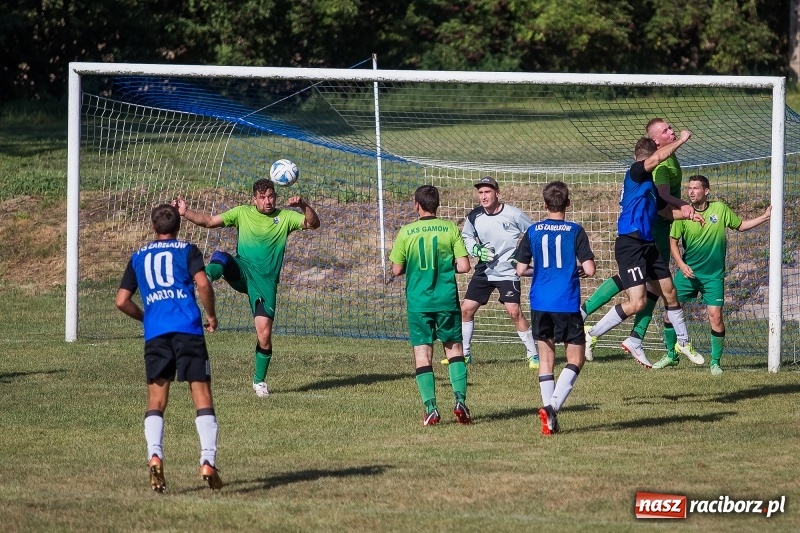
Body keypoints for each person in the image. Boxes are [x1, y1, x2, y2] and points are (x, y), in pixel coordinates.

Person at [174, 178, 320, 397]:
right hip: (242, 270)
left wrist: (304, 205)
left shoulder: (285, 217)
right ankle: (205, 278)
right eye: (262, 198)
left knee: (264, 334)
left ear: (275, 196)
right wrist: (185, 212)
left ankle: (259, 382)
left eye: (270, 196)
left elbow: (313, 224)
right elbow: (209, 221)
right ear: (254, 200)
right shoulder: (242, 212)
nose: (267, 201)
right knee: (222, 257)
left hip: (265, 283)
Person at [115, 204, 222, 492]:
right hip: (188, 330)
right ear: (179, 226)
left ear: (153, 227)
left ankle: (155, 455)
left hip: (156, 335)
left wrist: (147, 318)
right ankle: (208, 460)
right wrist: (211, 315)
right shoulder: (188, 250)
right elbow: (203, 284)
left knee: (156, 400)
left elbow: (121, 301)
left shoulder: (138, 256)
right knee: (201, 395)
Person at [584, 132, 706, 369]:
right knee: (637, 303)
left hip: (648, 245)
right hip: (630, 244)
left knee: (670, 293)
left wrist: (690, 215)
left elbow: (665, 212)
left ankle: (683, 343)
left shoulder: (649, 185)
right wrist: (681, 140)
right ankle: (592, 333)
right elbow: (657, 158)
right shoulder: (636, 172)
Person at [666, 175, 772, 374]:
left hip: (713, 277)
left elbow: (740, 226)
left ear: (706, 191)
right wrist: (681, 264)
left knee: (715, 317)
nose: (691, 192)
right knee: (670, 312)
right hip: (688, 274)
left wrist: (764, 217)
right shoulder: (684, 214)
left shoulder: (720, 209)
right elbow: (673, 241)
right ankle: (671, 356)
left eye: (696, 188)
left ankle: (715, 362)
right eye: (689, 188)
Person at [514, 181, 595, 435]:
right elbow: (590, 269)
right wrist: (577, 269)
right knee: (576, 359)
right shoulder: (575, 230)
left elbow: (520, 269)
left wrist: (539, 270)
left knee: (546, 361)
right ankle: (552, 408)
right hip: (566, 303)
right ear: (568, 203)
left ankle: (549, 422)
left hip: (540, 303)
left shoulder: (534, 231)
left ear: (545, 204)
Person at [389, 185, 473, 426]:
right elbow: (464, 266)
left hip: (419, 302)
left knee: (422, 353)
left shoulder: (407, 231)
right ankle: (460, 401)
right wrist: (446, 266)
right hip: (446, 300)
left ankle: (431, 408)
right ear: (437, 204)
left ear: (416, 205)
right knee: (454, 350)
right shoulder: (450, 228)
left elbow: (396, 269)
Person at [451, 176, 539, 368]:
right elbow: (467, 236)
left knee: (514, 311)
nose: (483, 196)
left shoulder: (514, 214)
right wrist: (476, 250)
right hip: (484, 270)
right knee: (466, 309)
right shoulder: (474, 216)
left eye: (487, 192)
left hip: (508, 272)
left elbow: (534, 234)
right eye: (480, 192)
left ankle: (533, 355)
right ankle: (465, 354)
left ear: (497, 193)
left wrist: (521, 255)